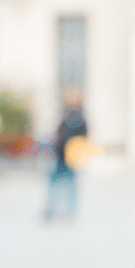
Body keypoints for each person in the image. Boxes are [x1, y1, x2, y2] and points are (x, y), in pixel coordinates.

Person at [44, 88, 87, 222]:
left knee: (70, 184)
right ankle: (51, 209)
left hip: (70, 155)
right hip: (60, 154)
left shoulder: (78, 117)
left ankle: (69, 210)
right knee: (54, 183)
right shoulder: (66, 114)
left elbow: (82, 136)